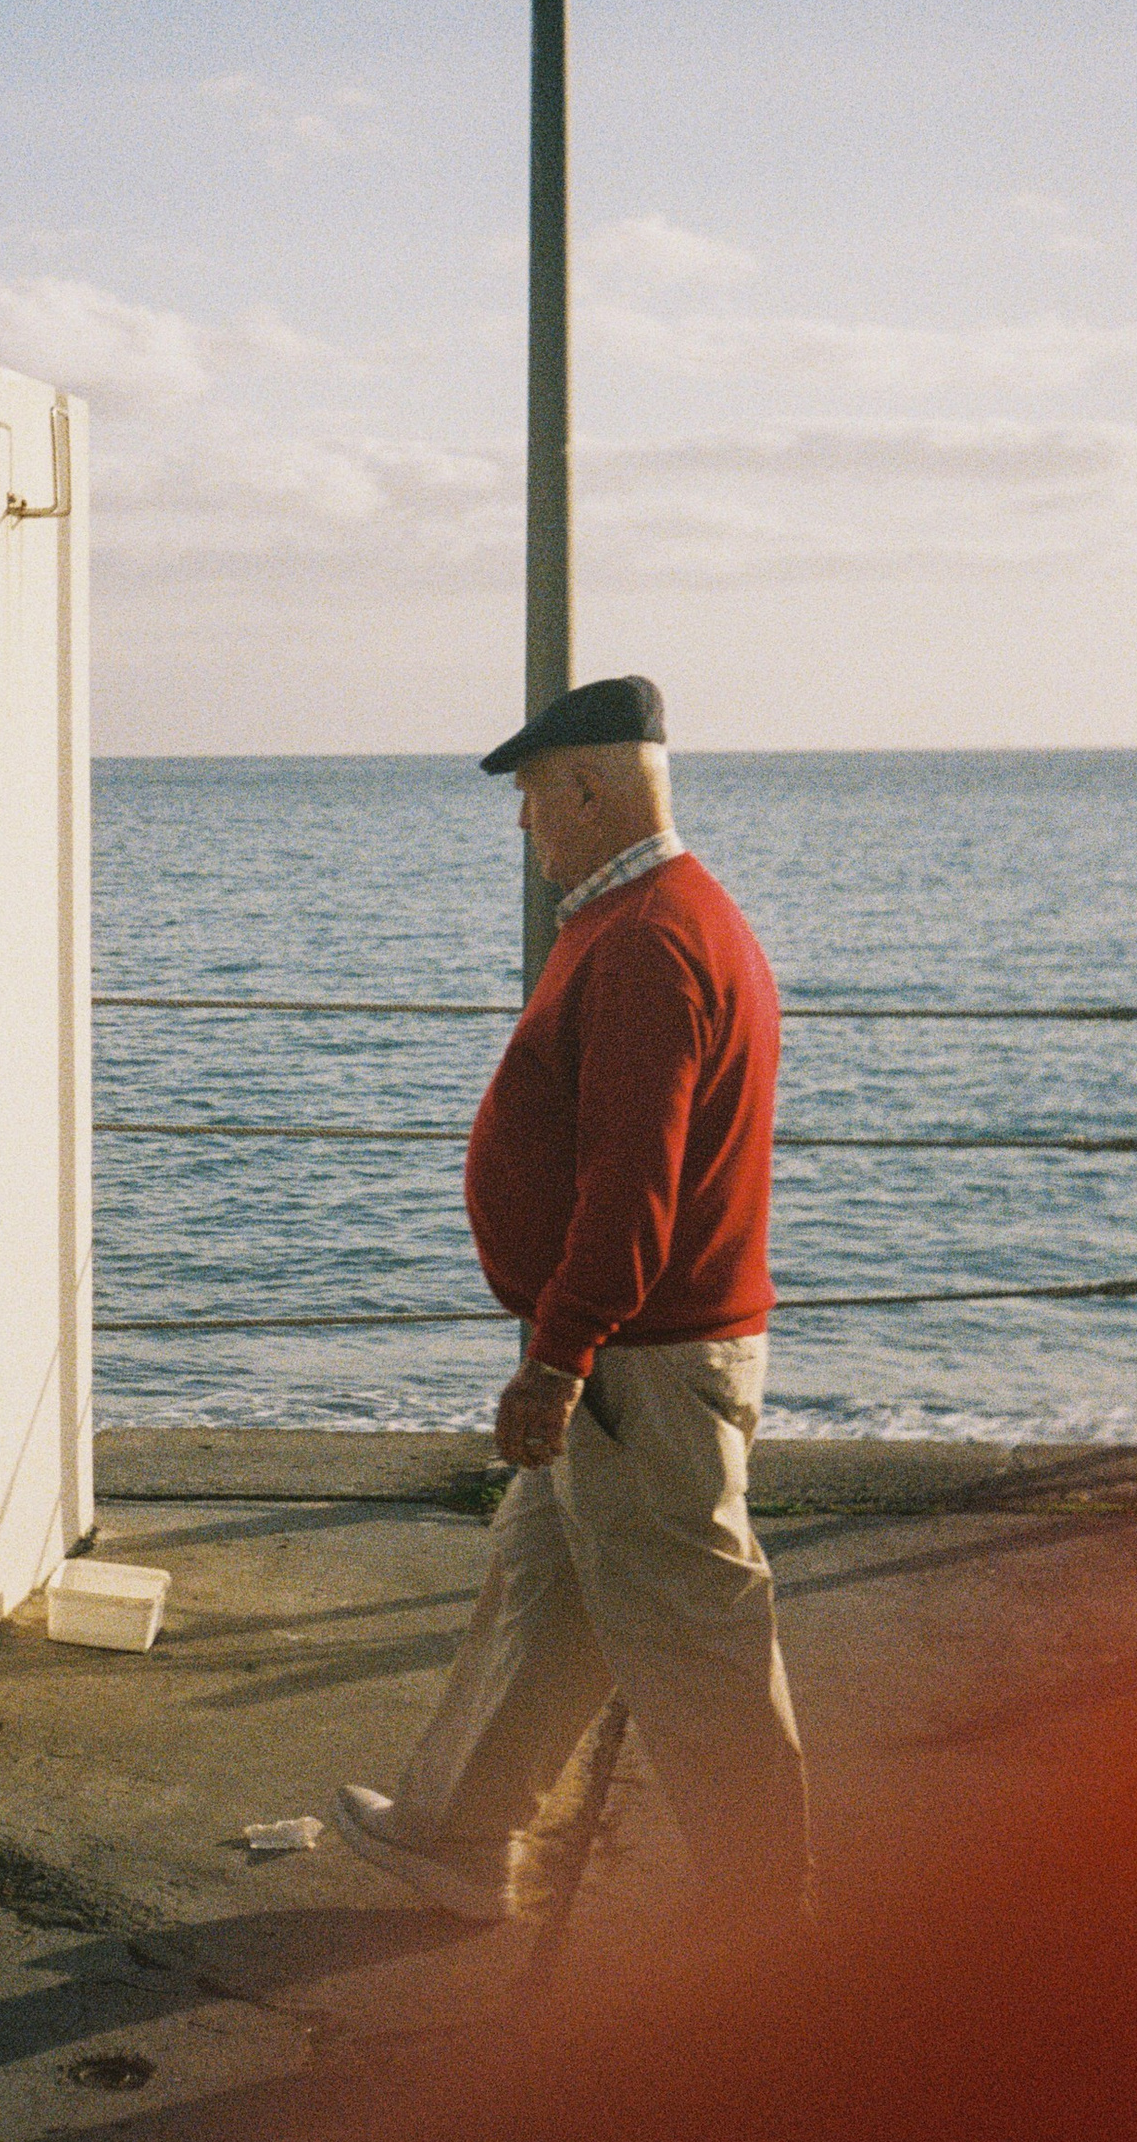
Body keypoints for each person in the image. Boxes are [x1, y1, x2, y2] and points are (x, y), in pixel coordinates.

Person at [335, 673, 810, 1937]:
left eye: (534, 794)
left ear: (590, 788)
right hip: (634, 1358)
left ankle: (773, 1928)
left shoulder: (647, 939)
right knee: (540, 1591)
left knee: (699, 1640)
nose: (523, 822)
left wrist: (556, 1358)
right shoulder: (658, 915)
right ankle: (454, 1835)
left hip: (636, 1368)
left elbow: (630, 1190)